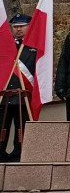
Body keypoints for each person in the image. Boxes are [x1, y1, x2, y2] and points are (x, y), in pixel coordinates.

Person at [1, 14, 36, 162]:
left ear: (28, 27)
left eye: (22, 26)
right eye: (15, 27)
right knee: (2, 127)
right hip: (5, 95)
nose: (18, 29)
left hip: (24, 95)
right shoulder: (4, 47)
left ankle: (18, 155)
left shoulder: (34, 48)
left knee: (22, 129)